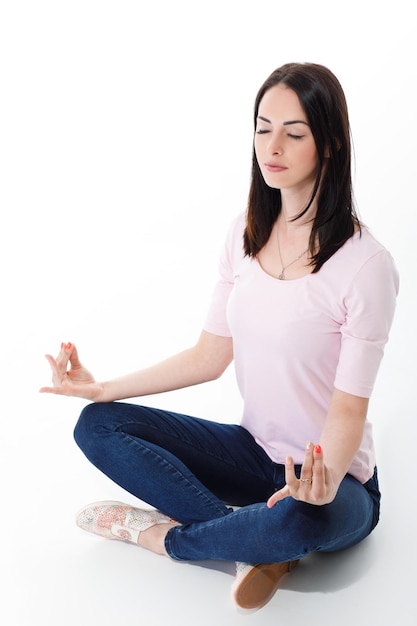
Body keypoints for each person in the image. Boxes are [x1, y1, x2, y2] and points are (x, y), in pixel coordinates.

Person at [40, 62, 399, 611]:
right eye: (263, 128)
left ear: (328, 143)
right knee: (98, 426)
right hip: (254, 453)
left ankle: (167, 538)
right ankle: (251, 541)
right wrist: (102, 388)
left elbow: (349, 410)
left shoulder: (365, 265)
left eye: (293, 133)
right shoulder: (245, 233)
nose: (271, 146)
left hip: (335, 484)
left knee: (300, 519)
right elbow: (209, 356)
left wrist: (321, 481)